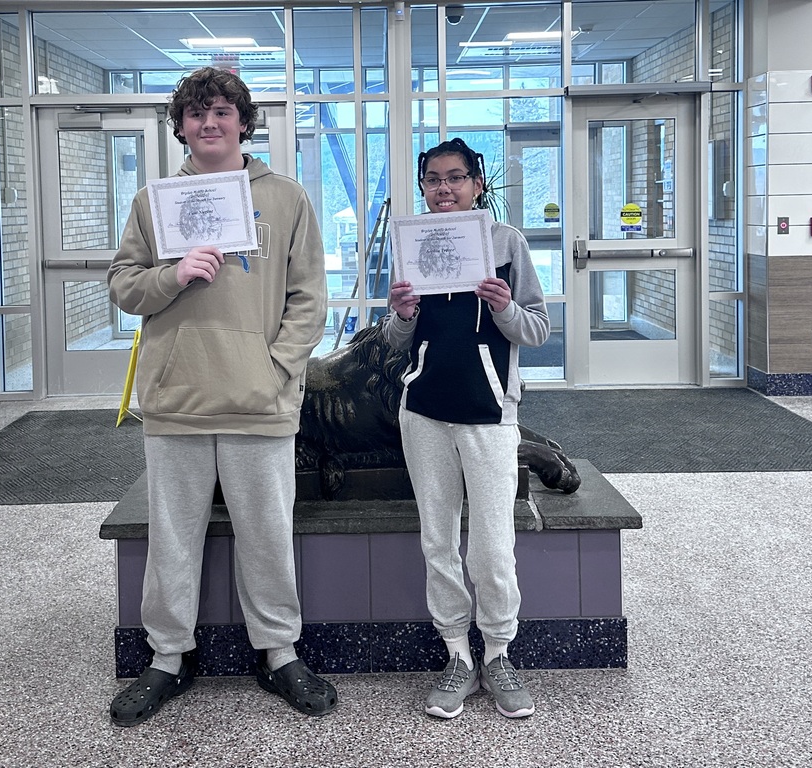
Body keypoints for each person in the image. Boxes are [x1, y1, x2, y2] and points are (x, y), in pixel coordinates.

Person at [106, 66, 336, 725]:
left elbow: (309, 299)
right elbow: (124, 287)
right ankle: (168, 659)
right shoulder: (154, 203)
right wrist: (173, 275)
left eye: (222, 112)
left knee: (266, 533)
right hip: (176, 397)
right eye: (196, 113)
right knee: (173, 536)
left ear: (244, 122)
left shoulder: (286, 198)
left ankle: (279, 653)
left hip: (258, 399)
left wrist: (275, 368)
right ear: (179, 125)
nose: (209, 123)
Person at [382, 137, 549, 720]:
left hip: (489, 414)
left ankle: (499, 652)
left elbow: (536, 330)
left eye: (454, 178)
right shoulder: (413, 245)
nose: (443, 189)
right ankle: (457, 653)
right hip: (423, 411)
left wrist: (504, 308)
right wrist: (401, 316)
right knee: (437, 538)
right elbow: (397, 341)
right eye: (433, 179)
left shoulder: (508, 245)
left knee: (492, 544)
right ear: (423, 187)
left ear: (477, 184)